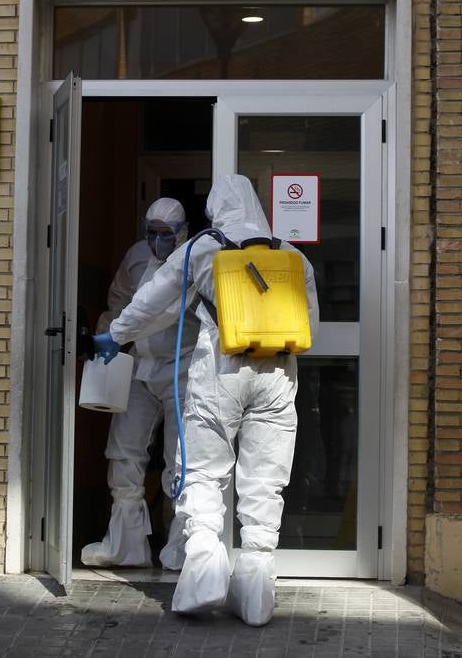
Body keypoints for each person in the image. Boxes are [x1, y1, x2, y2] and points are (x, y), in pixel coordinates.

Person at [93, 175, 319, 626]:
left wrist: (115, 336)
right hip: (277, 376)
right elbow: (310, 321)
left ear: (218, 210)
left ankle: (203, 577)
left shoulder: (206, 245)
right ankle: (255, 594)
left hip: (221, 370)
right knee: (263, 482)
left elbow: (150, 300)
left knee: (203, 472)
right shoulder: (289, 253)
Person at [82, 197, 200, 571]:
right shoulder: (136, 257)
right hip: (142, 368)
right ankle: (126, 546)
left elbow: (162, 312)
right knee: (124, 451)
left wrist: (116, 335)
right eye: (151, 232)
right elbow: (119, 303)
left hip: (183, 369)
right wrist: (105, 345)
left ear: (181, 233)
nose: (157, 241)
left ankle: (180, 548)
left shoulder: (197, 258)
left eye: (165, 234)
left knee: (181, 461)